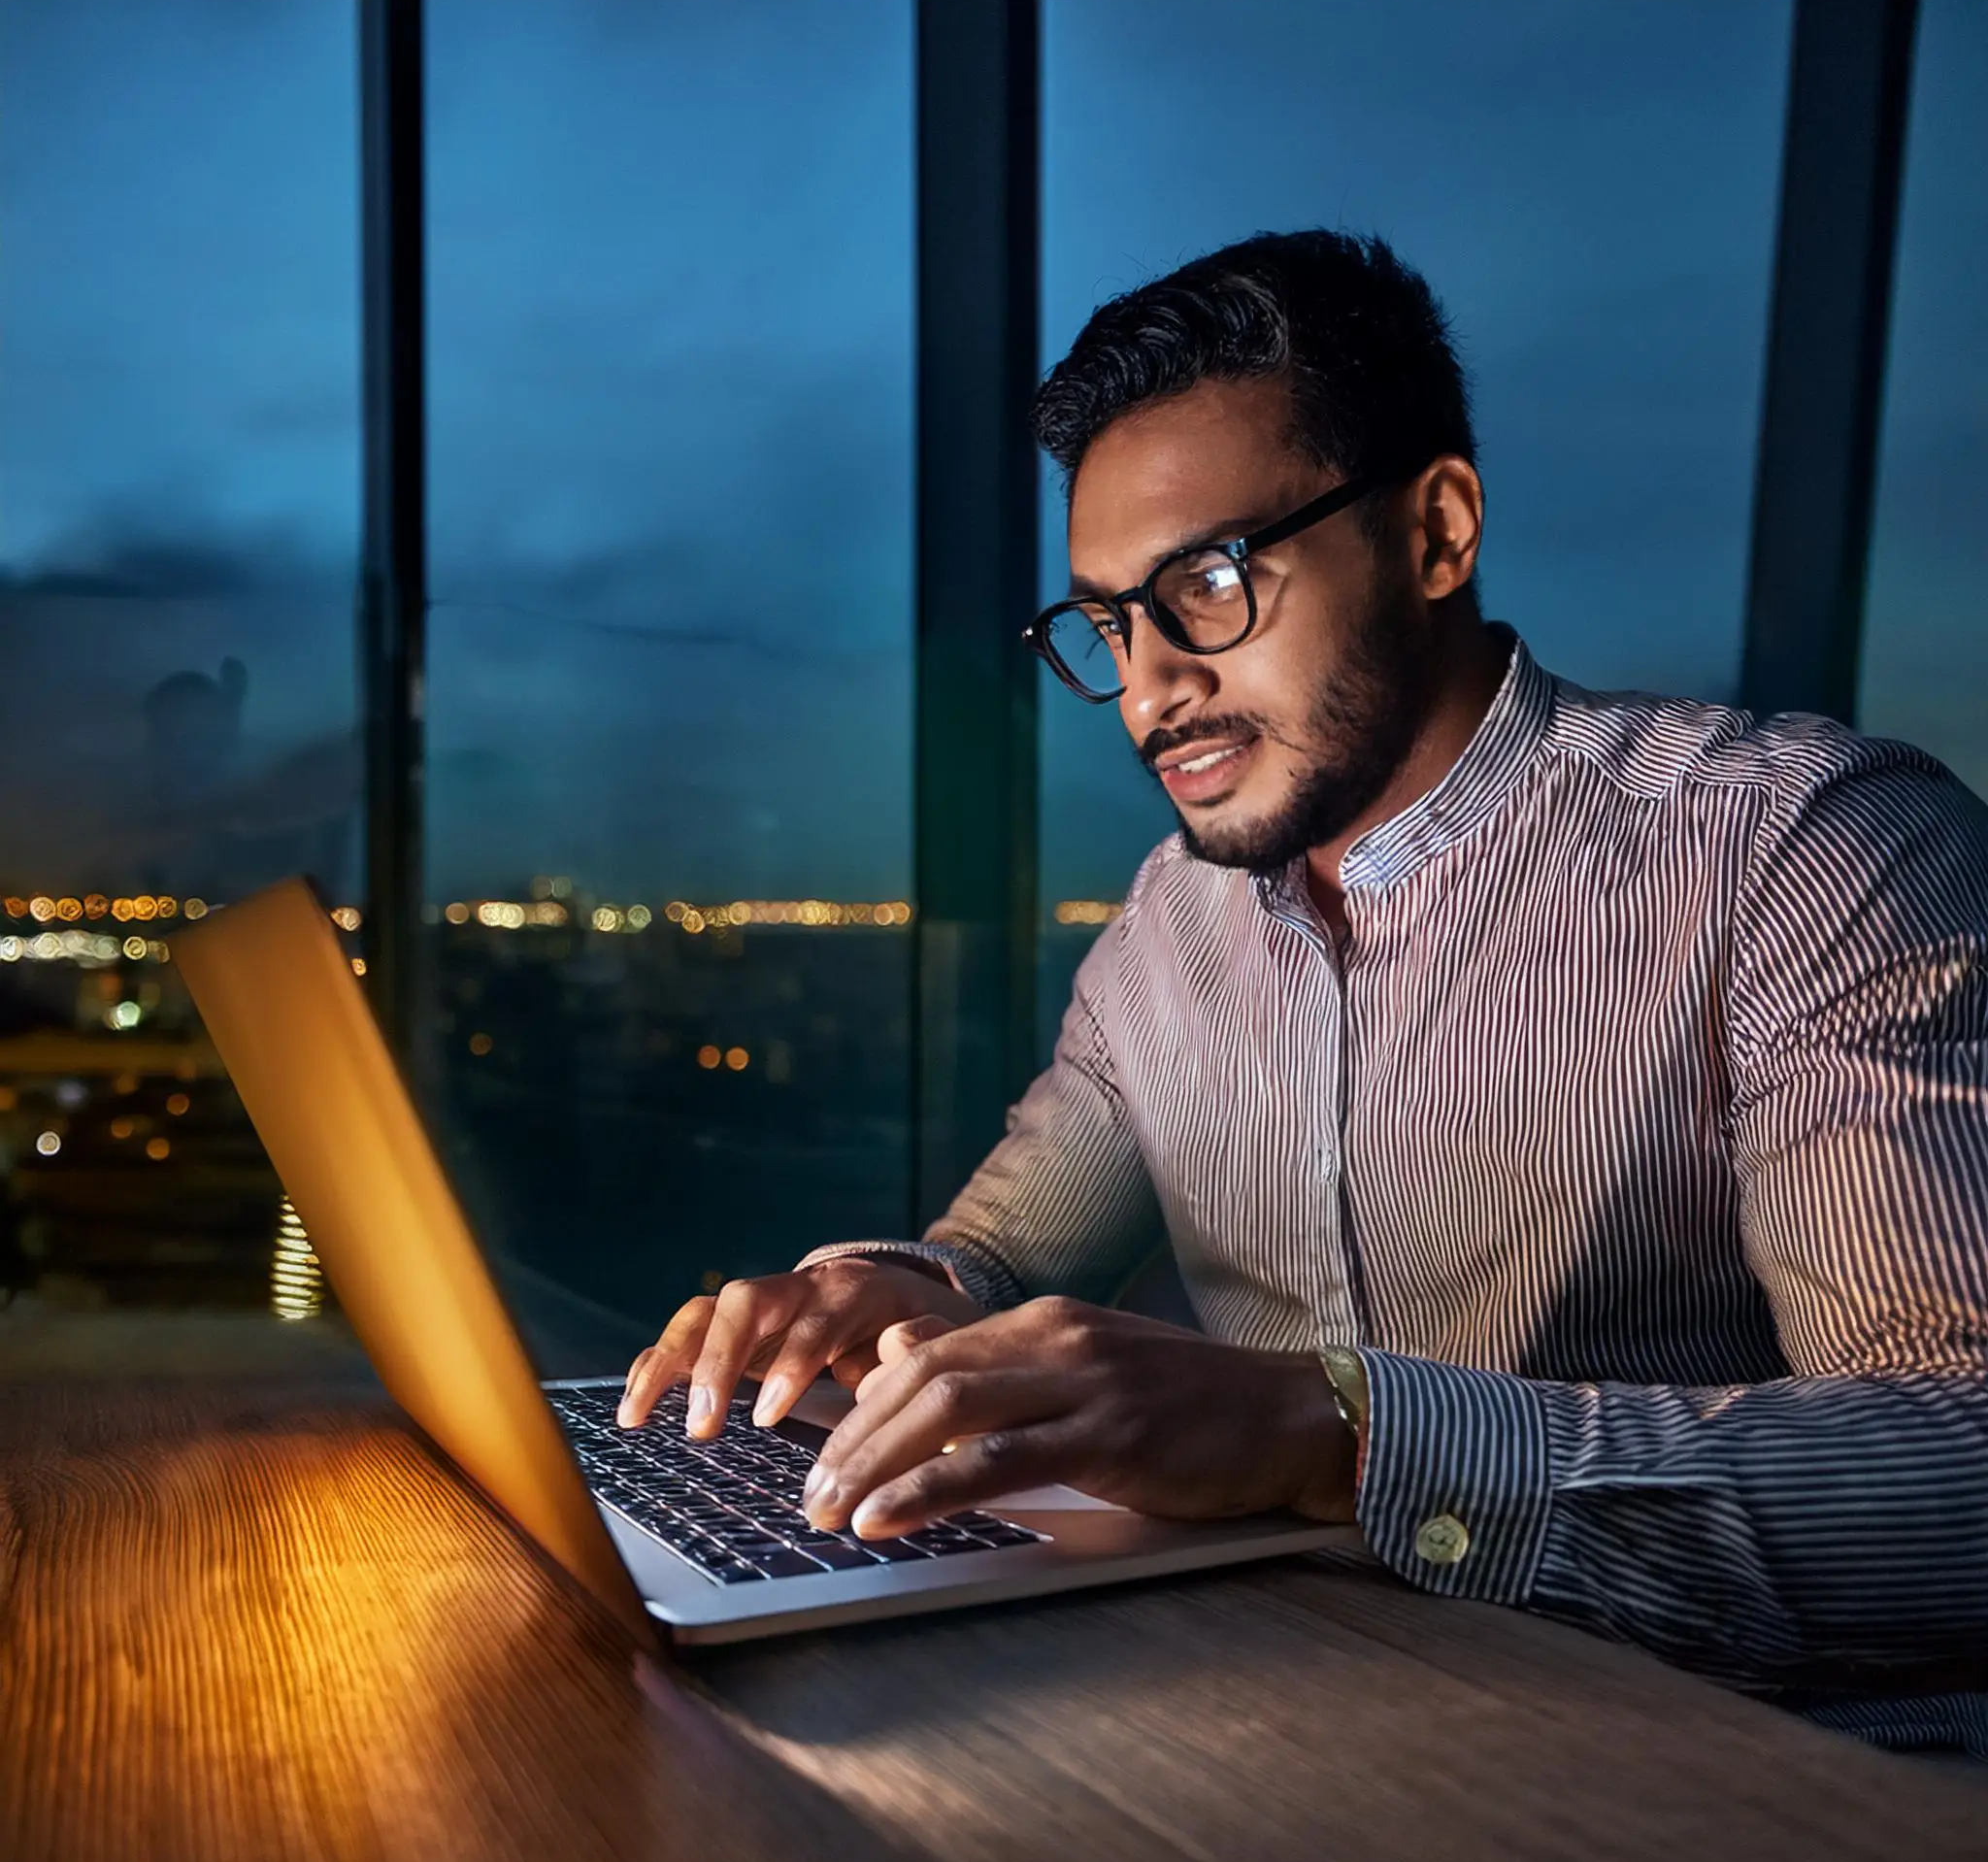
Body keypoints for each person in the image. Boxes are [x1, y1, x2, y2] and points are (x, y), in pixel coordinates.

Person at [620, 229, 1988, 1754]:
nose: (1147, 688)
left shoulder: (1803, 845)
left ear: (1438, 531)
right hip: (1290, 1717)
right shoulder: (1170, 919)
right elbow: (999, 1252)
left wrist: (1333, 1431)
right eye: (1108, 620)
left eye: (1210, 582)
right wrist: (879, 1296)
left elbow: (1964, 1459)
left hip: (1744, 1771)